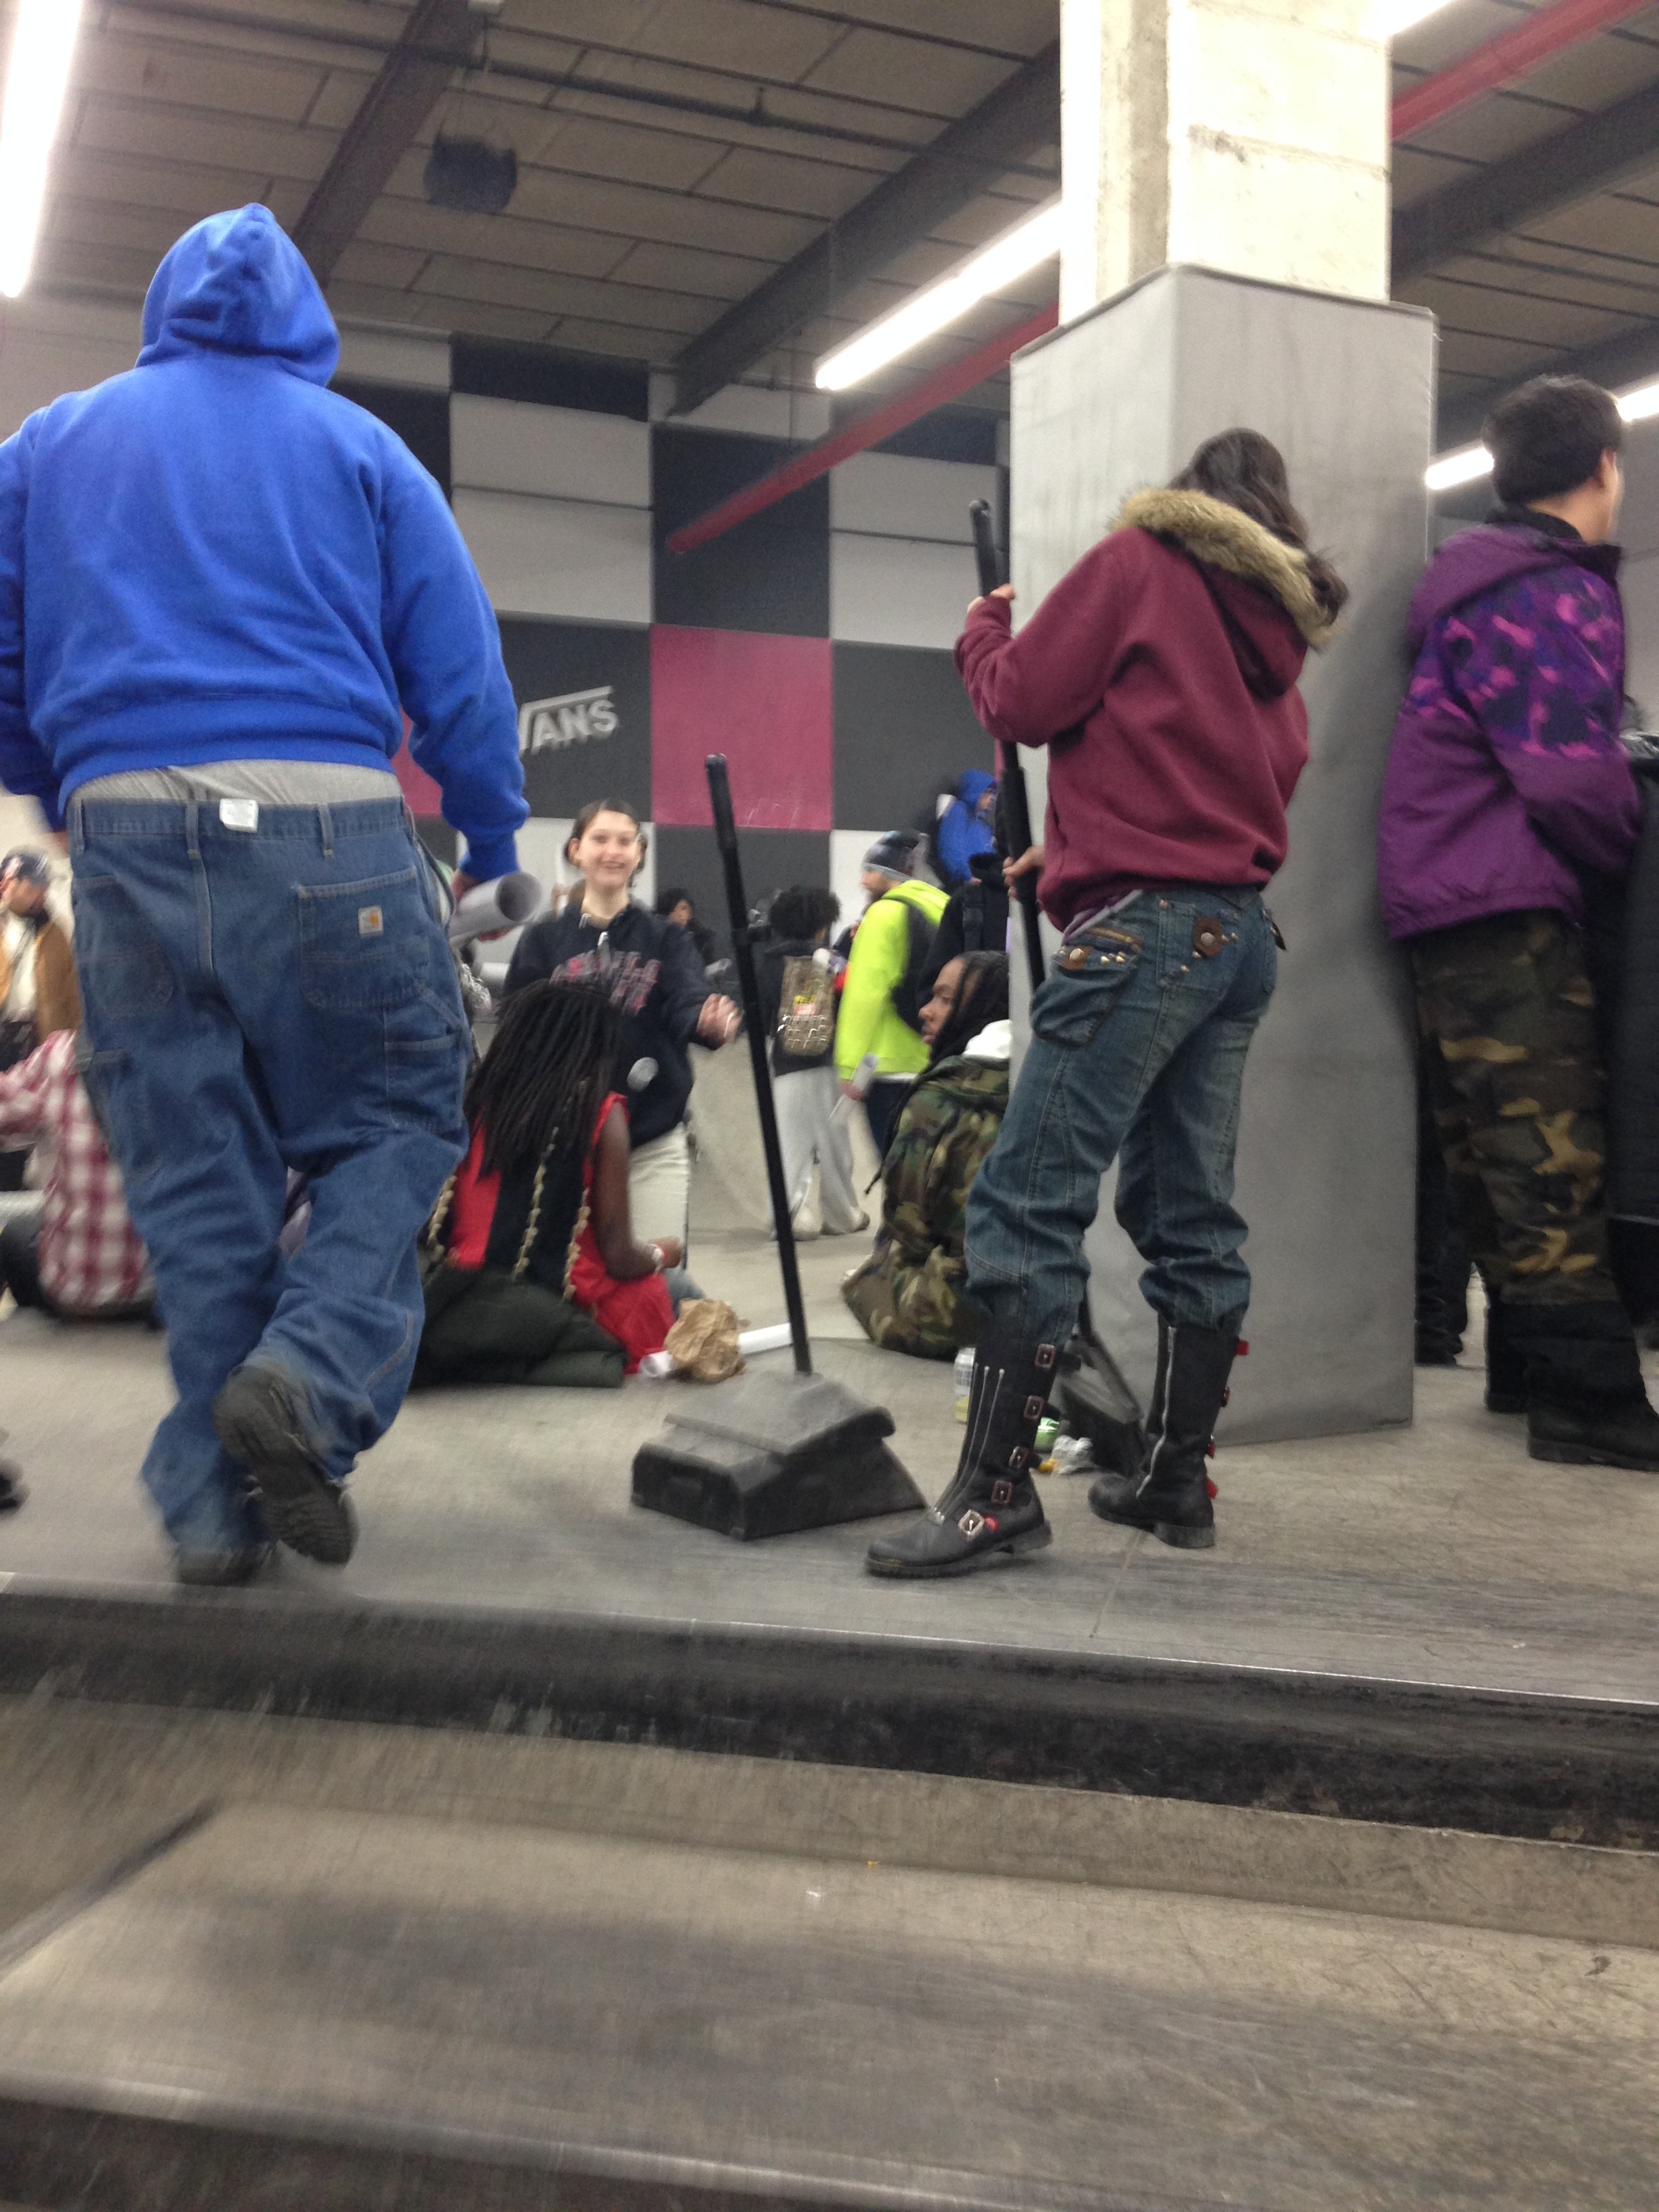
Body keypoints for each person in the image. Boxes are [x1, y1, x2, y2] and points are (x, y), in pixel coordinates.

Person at [0, 204, 528, 1584]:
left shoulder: (49, 442)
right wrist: (489, 831)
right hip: (327, 825)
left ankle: (209, 1509)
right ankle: (310, 1368)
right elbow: (458, 659)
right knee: (396, 1117)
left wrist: (54, 777)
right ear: (304, 320)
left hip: (122, 836)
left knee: (196, 1182)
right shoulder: (360, 445)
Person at [866, 428, 1347, 1576]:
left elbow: (1022, 698)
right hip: (1234, 935)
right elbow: (1217, 778)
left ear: (1188, 498)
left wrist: (982, 628)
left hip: (1142, 941)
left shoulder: (1140, 560)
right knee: (1190, 1215)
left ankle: (994, 1495)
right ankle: (1176, 1479)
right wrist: (1084, 850)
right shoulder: (1274, 632)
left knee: (1024, 1204)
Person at [1377, 374, 1659, 1471]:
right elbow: (1568, 779)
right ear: (1604, 467)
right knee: (1552, 1155)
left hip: (1441, 896)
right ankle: (1587, 1399)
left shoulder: (1473, 582)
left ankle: (1526, 1371)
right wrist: (1626, 854)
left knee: (1486, 1152)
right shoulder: (1551, 590)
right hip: (1504, 900)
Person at [417, 980, 701, 1387]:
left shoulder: (472, 1105)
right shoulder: (601, 1114)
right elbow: (620, 1257)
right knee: (681, 1291)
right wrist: (662, 1252)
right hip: (555, 1307)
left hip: (463, 1298)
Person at [504, 800, 739, 1251]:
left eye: (625, 841)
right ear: (576, 850)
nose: (612, 851)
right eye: (600, 839)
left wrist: (706, 1019)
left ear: (639, 853)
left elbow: (687, 997)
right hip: (563, 1145)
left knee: (657, 1277)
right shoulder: (542, 940)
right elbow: (518, 1031)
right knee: (566, 1275)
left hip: (652, 1141)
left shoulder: (666, 937)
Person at [843, 951, 1010, 1359]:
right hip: (1045, 1304)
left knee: (864, 1281)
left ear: (983, 1011)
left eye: (945, 999)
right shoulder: (1044, 1082)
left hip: (960, 1309)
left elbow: (909, 1229)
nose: (925, 1010)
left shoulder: (938, 1099)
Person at [0, 1028, 150, 1319]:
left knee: (15, 1235)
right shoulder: (199, 1053)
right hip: (169, 1294)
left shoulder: (61, 1056)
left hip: (80, 1297)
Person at [755, 885, 866, 1240]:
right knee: (835, 1143)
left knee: (789, 1144)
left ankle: (792, 1217)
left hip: (786, 1062)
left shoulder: (768, 961)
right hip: (830, 1060)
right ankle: (842, 1214)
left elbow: (762, 1012)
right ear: (822, 925)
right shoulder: (831, 960)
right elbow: (854, 996)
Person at [834, 832, 949, 1156]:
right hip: (936, 1063)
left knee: (895, 1169)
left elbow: (865, 993)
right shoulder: (943, 908)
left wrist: (850, 1068)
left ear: (889, 873)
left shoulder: (883, 914)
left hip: (888, 1068)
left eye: (870, 871)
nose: (863, 880)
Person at [0, 848, 79, 1191]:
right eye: (34, 884)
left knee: (31, 1128)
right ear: (9, 883)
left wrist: (73, 1045)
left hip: (38, 1041)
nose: (43, 892)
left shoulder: (56, 933)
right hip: (3, 1036)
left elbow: (71, 997)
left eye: (45, 885)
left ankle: (16, 1194)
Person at [654, 884, 718, 971]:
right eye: (674, 910)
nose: (680, 914)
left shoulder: (702, 940)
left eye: (683, 909)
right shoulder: (656, 940)